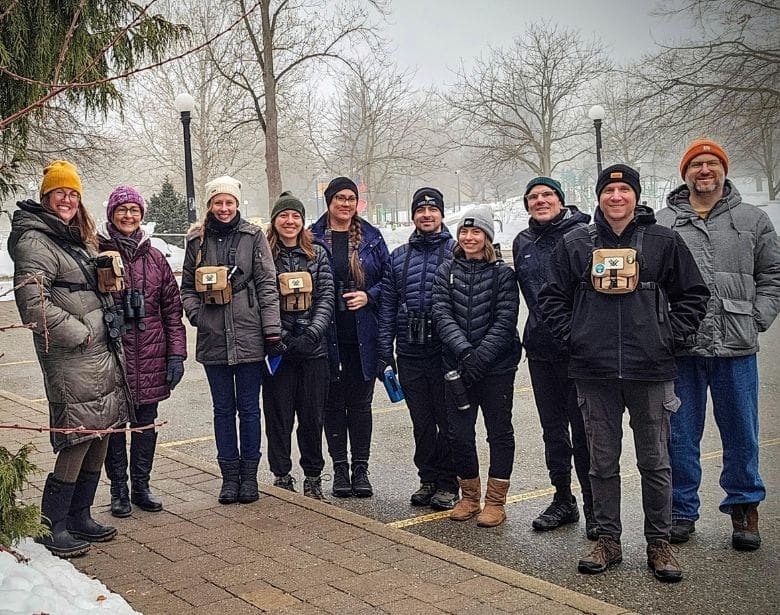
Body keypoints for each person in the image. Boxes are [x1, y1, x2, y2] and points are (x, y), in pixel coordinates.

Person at [539, 164, 709, 582]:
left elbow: (693, 295)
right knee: (602, 462)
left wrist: (668, 337)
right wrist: (575, 337)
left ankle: (659, 543)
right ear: (599, 197)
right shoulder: (575, 243)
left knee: (655, 461)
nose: (616, 197)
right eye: (609, 190)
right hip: (593, 371)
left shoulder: (664, 240)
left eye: (624, 190)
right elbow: (550, 298)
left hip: (649, 369)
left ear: (635, 195)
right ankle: (608, 539)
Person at [657, 139, 780, 551]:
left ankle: (745, 507)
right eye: (696, 165)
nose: (704, 171)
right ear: (685, 174)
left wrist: (757, 317)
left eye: (711, 164)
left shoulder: (752, 219)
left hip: (736, 347)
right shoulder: (665, 222)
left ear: (724, 170)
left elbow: (772, 275)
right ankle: (680, 511)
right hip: (683, 349)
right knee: (679, 435)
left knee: (742, 433)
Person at [8, 160, 130, 557]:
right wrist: (82, 332)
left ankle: (79, 515)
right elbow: (33, 305)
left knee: (101, 434)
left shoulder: (74, 237)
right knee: (77, 437)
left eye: (73, 193)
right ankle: (52, 524)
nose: (67, 199)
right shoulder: (35, 240)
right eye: (60, 192)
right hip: (72, 355)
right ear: (46, 196)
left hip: (100, 353)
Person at [181, 176, 282, 505]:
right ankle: (229, 476)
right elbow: (186, 287)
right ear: (209, 205)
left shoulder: (253, 237)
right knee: (223, 410)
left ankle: (249, 476)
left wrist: (271, 330)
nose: (224, 208)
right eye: (218, 202)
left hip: (250, 334)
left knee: (249, 410)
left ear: (237, 204)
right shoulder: (197, 240)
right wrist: (198, 316)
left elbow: (268, 284)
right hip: (213, 339)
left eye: (229, 202)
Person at [512, 177, 595, 538]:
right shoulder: (522, 242)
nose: (540, 201)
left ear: (561, 200)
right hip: (542, 350)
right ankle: (563, 498)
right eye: (533, 197)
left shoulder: (585, 235)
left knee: (586, 433)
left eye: (547, 195)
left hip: (580, 350)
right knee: (553, 432)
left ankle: (596, 508)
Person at [98, 186, 187, 517]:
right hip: (113, 354)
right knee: (115, 426)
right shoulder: (99, 253)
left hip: (150, 354)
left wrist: (176, 355)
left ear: (141, 215)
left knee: (145, 424)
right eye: (122, 210)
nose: (128, 215)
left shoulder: (155, 258)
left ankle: (142, 486)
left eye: (134, 210)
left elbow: (172, 312)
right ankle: (118, 489)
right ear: (111, 214)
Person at [431, 206, 521, 528]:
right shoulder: (446, 271)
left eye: (476, 232)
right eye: (464, 232)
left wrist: (480, 357)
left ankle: (496, 501)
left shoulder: (503, 274)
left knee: (499, 433)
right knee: (459, 434)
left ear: (487, 237)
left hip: (496, 368)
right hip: (457, 367)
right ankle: (469, 496)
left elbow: (506, 319)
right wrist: (466, 352)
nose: (469, 238)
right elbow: (441, 313)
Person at [377, 187, 458, 510]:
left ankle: (449, 483)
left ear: (440, 213)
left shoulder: (456, 251)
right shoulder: (399, 257)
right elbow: (386, 307)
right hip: (410, 352)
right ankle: (427, 478)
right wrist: (386, 353)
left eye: (432, 210)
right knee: (421, 422)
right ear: (413, 216)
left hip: (444, 352)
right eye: (421, 211)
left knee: (448, 421)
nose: (426, 215)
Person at [311, 177, 389, 498]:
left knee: (359, 405)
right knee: (332, 404)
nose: (345, 203)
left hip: (362, 335)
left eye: (351, 198)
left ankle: (360, 468)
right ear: (329, 201)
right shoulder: (311, 237)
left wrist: (368, 296)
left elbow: (390, 282)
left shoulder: (371, 237)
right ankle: (339, 469)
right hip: (326, 335)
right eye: (339, 198)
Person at [263, 192, 334, 499]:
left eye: (295, 216)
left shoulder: (317, 253)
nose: (290, 221)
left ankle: (313, 475)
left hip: (313, 351)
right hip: (278, 351)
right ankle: (281, 474)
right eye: (284, 216)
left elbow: (326, 297)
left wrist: (311, 335)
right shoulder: (264, 253)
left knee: (312, 416)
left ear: (302, 221)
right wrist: (278, 337)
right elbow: (262, 298)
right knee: (278, 417)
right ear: (275, 220)